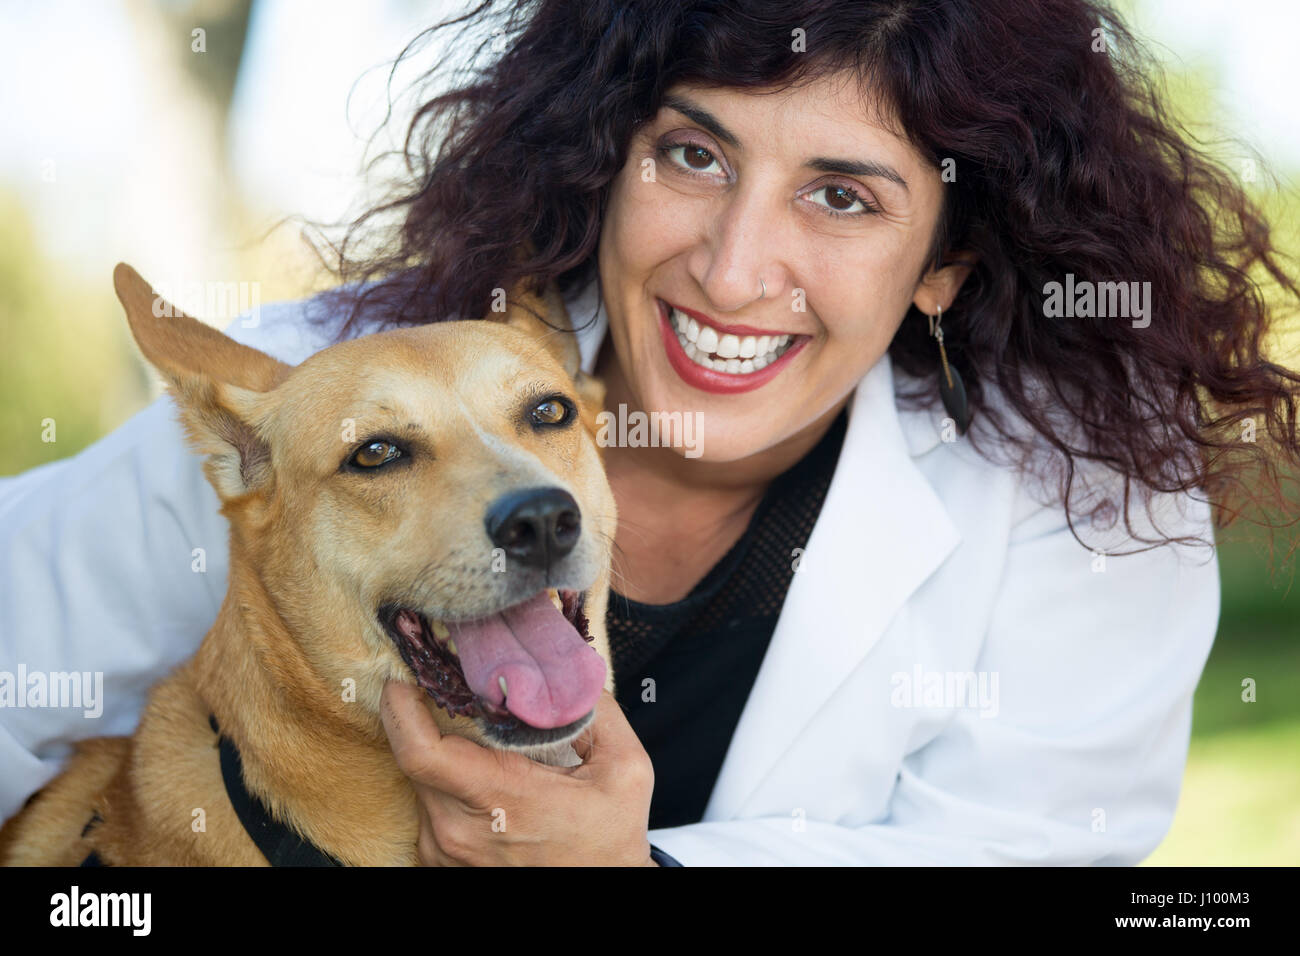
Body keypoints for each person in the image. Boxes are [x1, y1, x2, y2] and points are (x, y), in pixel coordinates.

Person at [2, 0, 1297, 866]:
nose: (736, 272)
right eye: (693, 157)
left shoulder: (1083, 508)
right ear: (604, 153)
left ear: (947, 261)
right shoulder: (303, 401)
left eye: (842, 197)